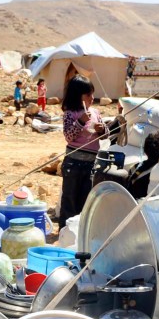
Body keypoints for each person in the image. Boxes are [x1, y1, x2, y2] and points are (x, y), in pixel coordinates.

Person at [59, 75, 105, 223]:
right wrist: (80, 121)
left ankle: (79, 231)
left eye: (92, 94)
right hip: (73, 164)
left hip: (91, 164)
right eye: (88, 95)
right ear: (77, 96)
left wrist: (102, 130)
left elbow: (105, 136)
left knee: (85, 201)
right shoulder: (70, 114)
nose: (92, 98)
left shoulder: (95, 113)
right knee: (70, 200)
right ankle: (65, 231)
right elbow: (69, 136)